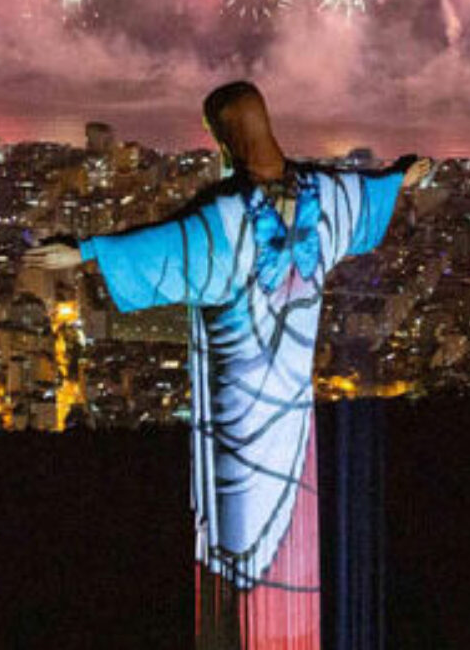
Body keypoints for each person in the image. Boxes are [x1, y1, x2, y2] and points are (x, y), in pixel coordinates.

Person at [24, 81, 430, 648]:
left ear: (224, 138)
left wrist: (88, 250)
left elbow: (162, 247)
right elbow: (372, 192)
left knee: (237, 550)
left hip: (237, 418)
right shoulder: (326, 194)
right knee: (292, 539)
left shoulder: (227, 218)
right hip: (294, 419)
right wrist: (404, 178)